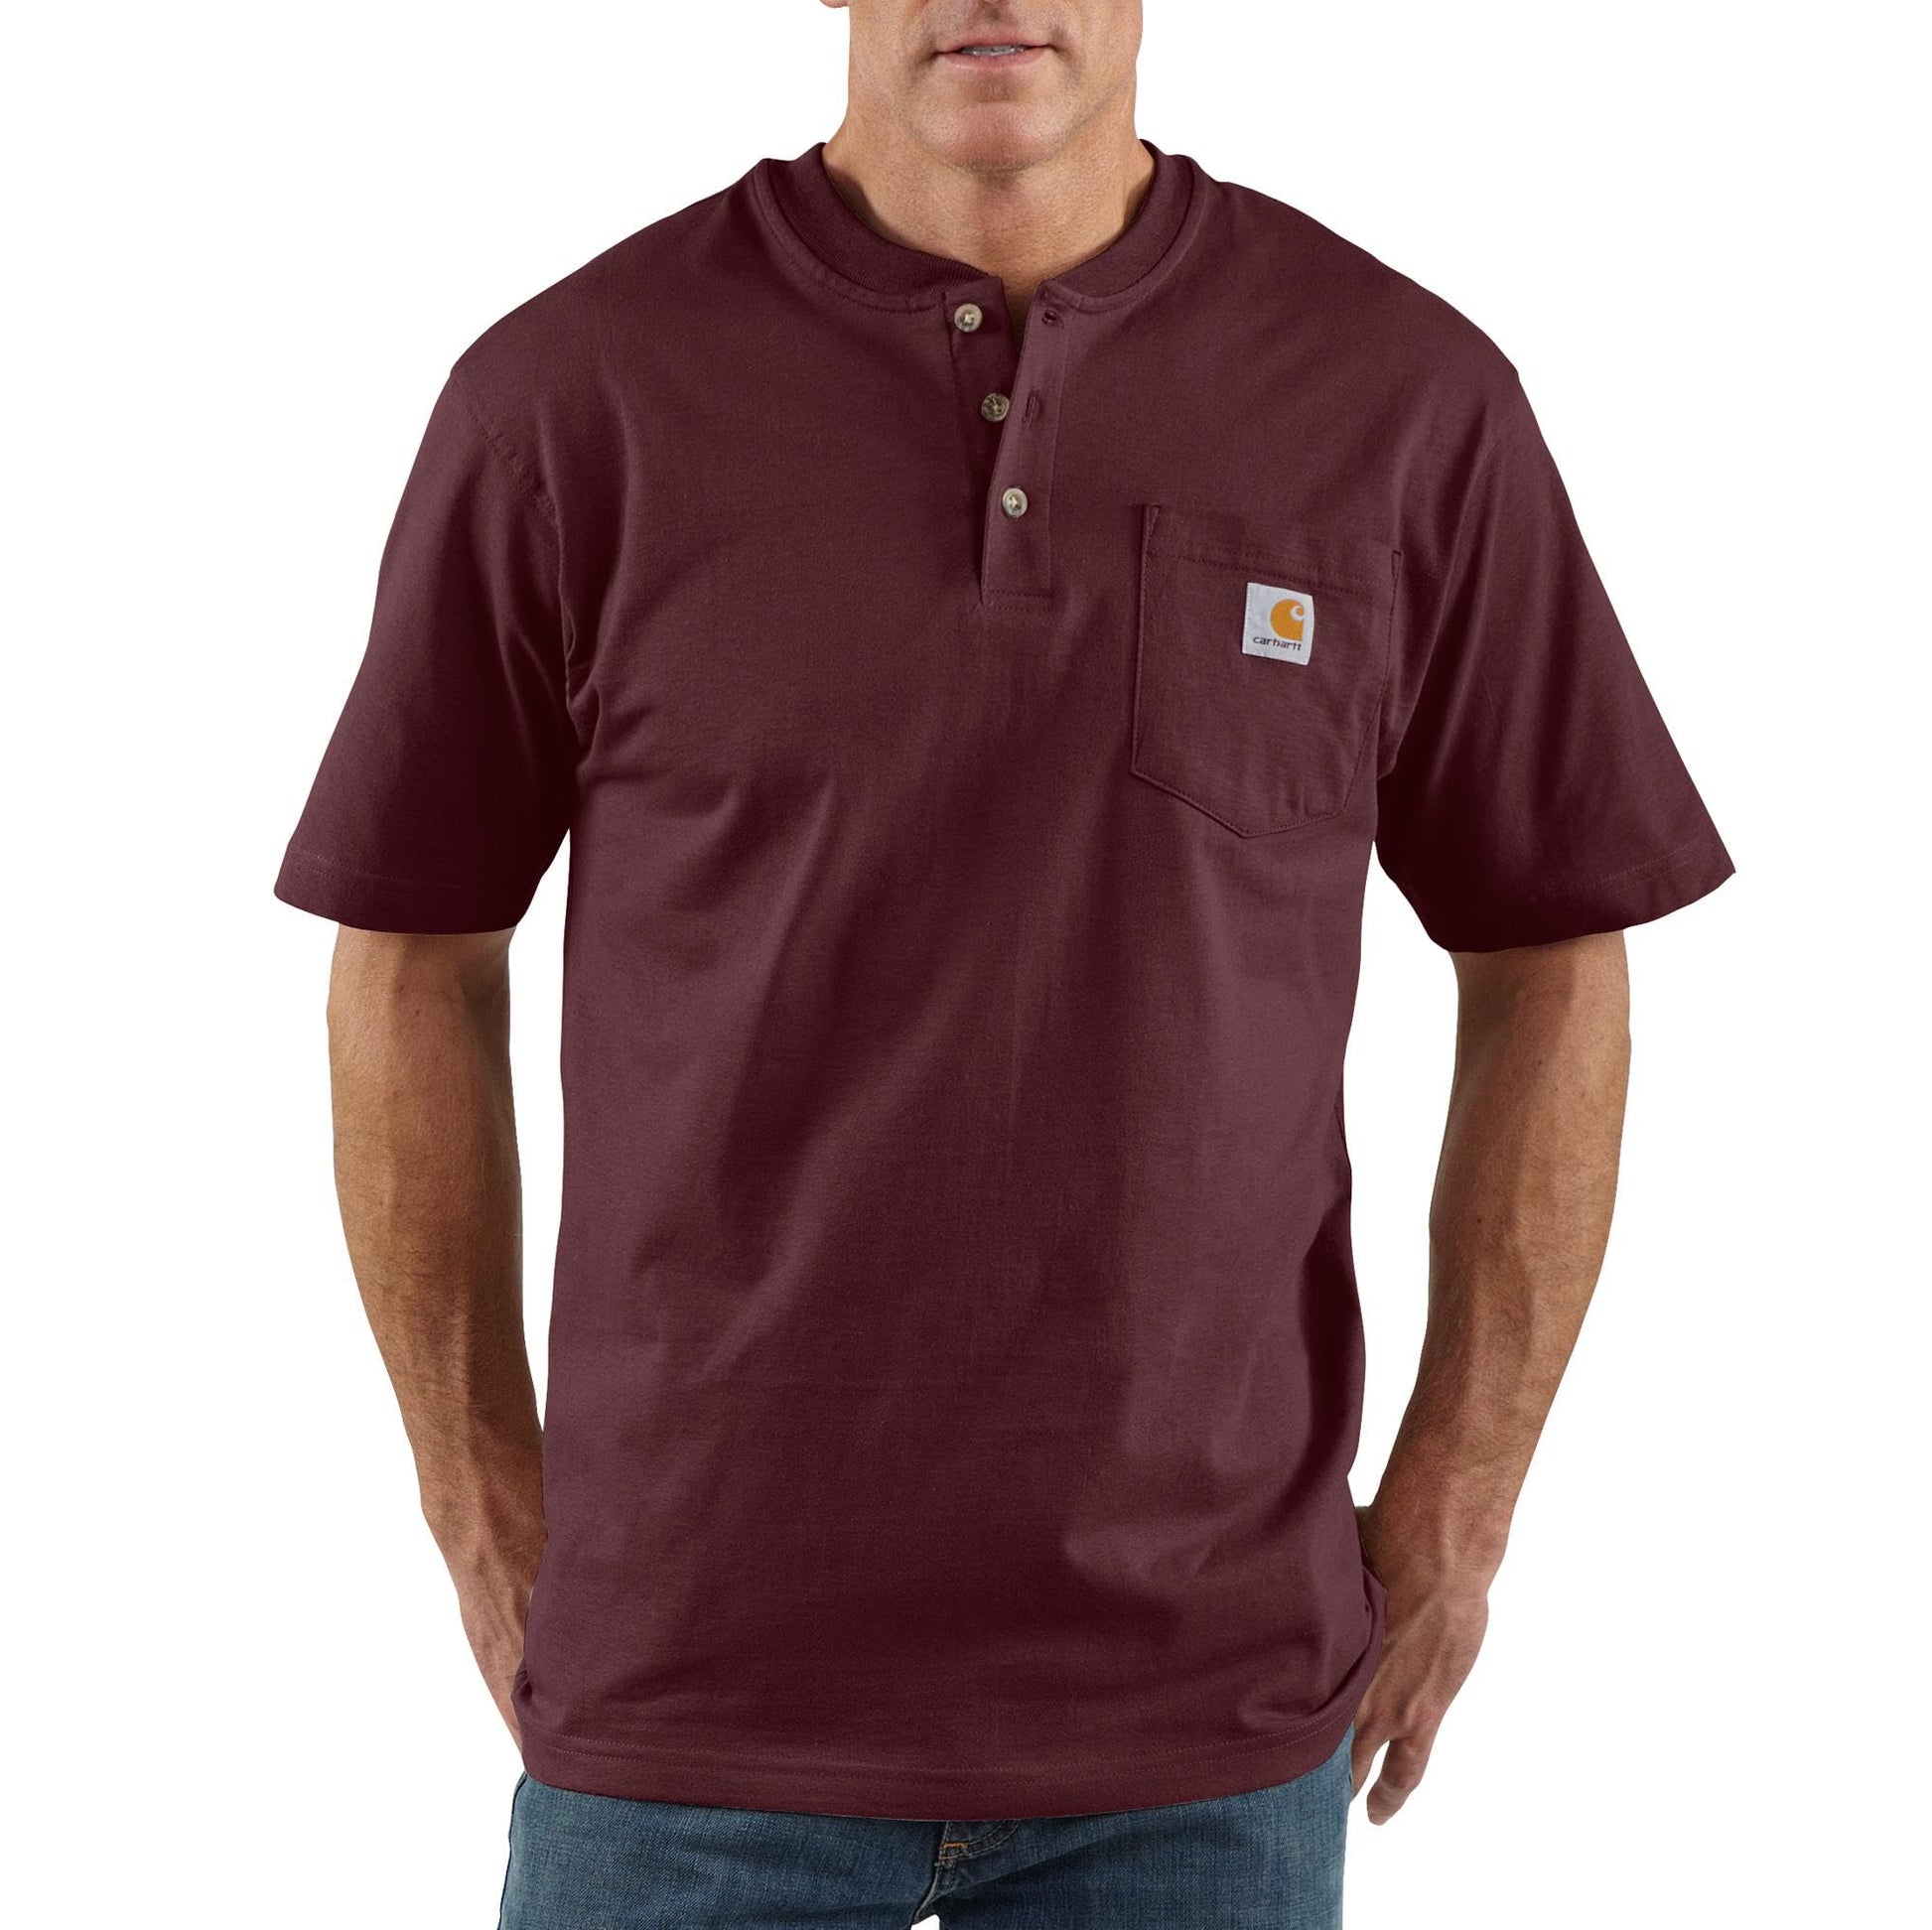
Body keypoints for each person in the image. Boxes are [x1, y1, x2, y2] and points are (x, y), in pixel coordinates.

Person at [275, 2, 1732, 1922]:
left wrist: (1459, 1502)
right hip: (687, 1705)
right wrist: (478, 1501)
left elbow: (1554, 939)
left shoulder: (1397, 392)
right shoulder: (570, 395)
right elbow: (410, 944)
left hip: (1206, 1722)